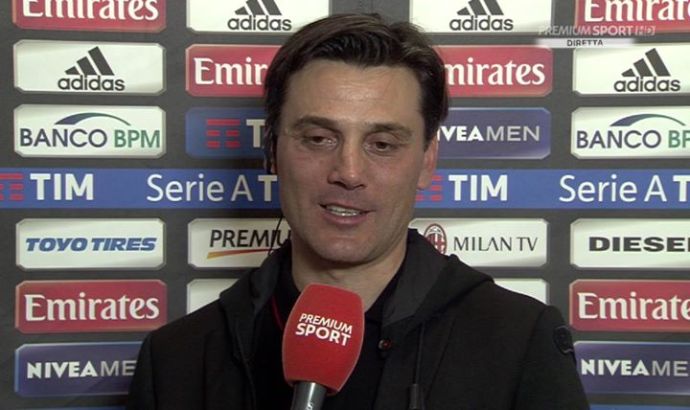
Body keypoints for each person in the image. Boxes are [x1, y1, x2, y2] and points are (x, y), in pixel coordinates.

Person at [126, 13, 589, 410]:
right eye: (318, 138)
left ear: (427, 161)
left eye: (382, 144)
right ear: (272, 151)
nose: (348, 172)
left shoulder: (519, 343)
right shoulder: (175, 359)